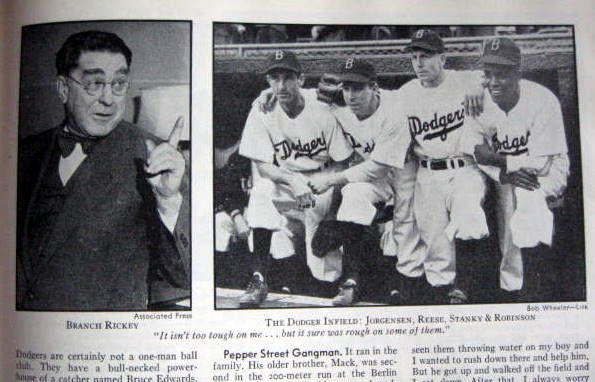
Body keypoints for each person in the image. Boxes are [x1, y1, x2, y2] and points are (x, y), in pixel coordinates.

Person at [309, 29, 489, 304]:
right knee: (430, 243)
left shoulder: (461, 81)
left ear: (443, 58)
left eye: (426, 57)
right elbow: (310, 95)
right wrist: (267, 96)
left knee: (464, 216)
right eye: (415, 57)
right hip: (424, 170)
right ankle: (391, 287)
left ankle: (462, 289)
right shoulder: (405, 94)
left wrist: (480, 83)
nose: (419, 63)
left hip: (457, 166)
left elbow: (486, 76)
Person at [16, 30, 190, 311]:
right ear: (63, 88)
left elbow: (184, 277)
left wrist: (169, 201)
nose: (109, 99)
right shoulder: (24, 152)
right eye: (95, 84)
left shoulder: (156, 158)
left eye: (119, 83)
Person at [307, 58, 427, 306]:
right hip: (370, 176)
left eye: (358, 88)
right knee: (353, 196)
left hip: (403, 172)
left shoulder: (395, 108)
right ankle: (351, 283)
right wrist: (265, 96)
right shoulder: (337, 107)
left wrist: (331, 180)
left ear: (374, 87)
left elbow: (378, 166)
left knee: (405, 230)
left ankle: (406, 290)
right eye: (346, 88)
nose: (351, 95)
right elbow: (294, 95)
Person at [238, 49, 353, 307]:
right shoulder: (261, 109)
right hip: (287, 183)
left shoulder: (323, 108)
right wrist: (292, 181)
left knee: (324, 269)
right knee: (260, 192)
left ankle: (324, 284)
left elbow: (342, 162)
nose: (280, 85)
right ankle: (259, 278)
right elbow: (264, 166)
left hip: (320, 183)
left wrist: (333, 212)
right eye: (274, 78)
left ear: (300, 79)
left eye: (287, 78)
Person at [464, 37, 569, 302]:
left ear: (518, 71)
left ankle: (536, 287)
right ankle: (513, 290)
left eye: (502, 73)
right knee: (508, 225)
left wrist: (502, 163)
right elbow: (475, 151)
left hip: (549, 169)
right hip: (505, 172)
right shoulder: (478, 102)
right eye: (489, 74)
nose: (495, 81)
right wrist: (501, 173)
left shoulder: (542, 100)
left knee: (528, 199)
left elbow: (541, 163)